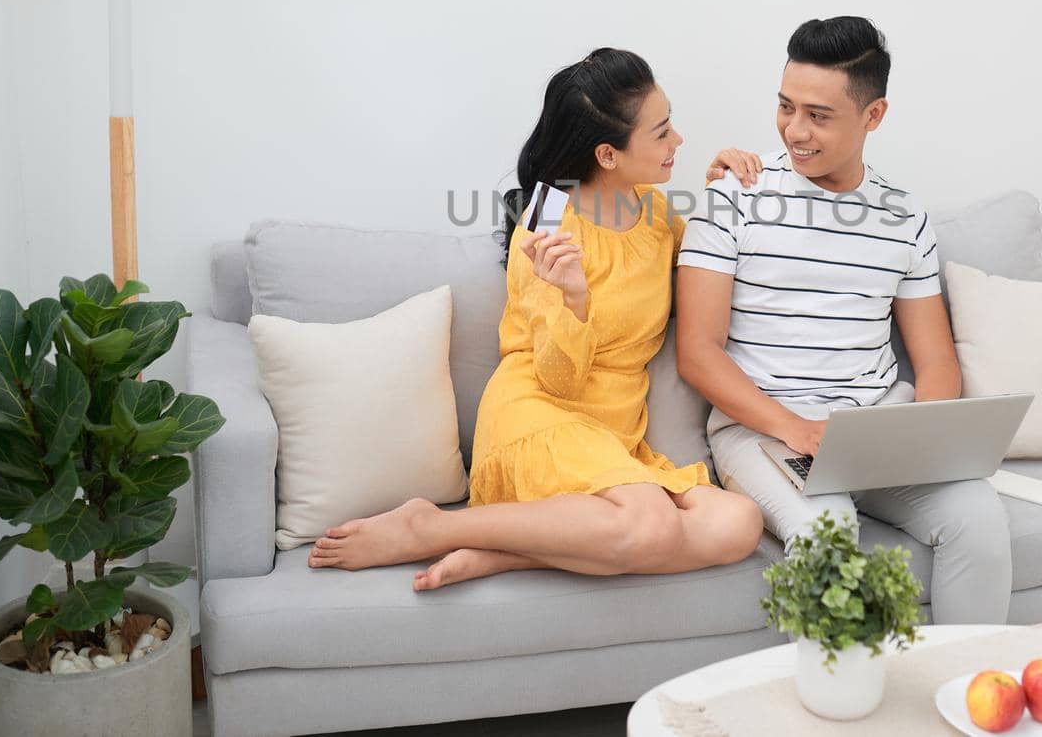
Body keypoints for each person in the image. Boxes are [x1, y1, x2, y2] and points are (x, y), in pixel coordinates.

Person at [309, 48, 765, 590]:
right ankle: (431, 527)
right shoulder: (548, 216)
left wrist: (724, 194)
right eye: (662, 132)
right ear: (608, 154)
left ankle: (500, 553)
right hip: (541, 414)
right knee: (652, 525)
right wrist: (573, 299)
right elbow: (558, 379)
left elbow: (710, 261)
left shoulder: (656, 212)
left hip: (611, 438)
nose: (680, 142)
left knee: (738, 524)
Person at [674, 17, 1013, 623]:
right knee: (827, 531)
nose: (794, 130)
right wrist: (795, 428)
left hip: (876, 429)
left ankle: (960, 696)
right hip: (765, 434)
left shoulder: (904, 215)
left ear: (873, 115)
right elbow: (698, 353)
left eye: (818, 116)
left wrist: (926, 435)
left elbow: (934, 360)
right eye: (785, 107)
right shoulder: (733, 195)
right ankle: (841, 712)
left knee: (979, 515)